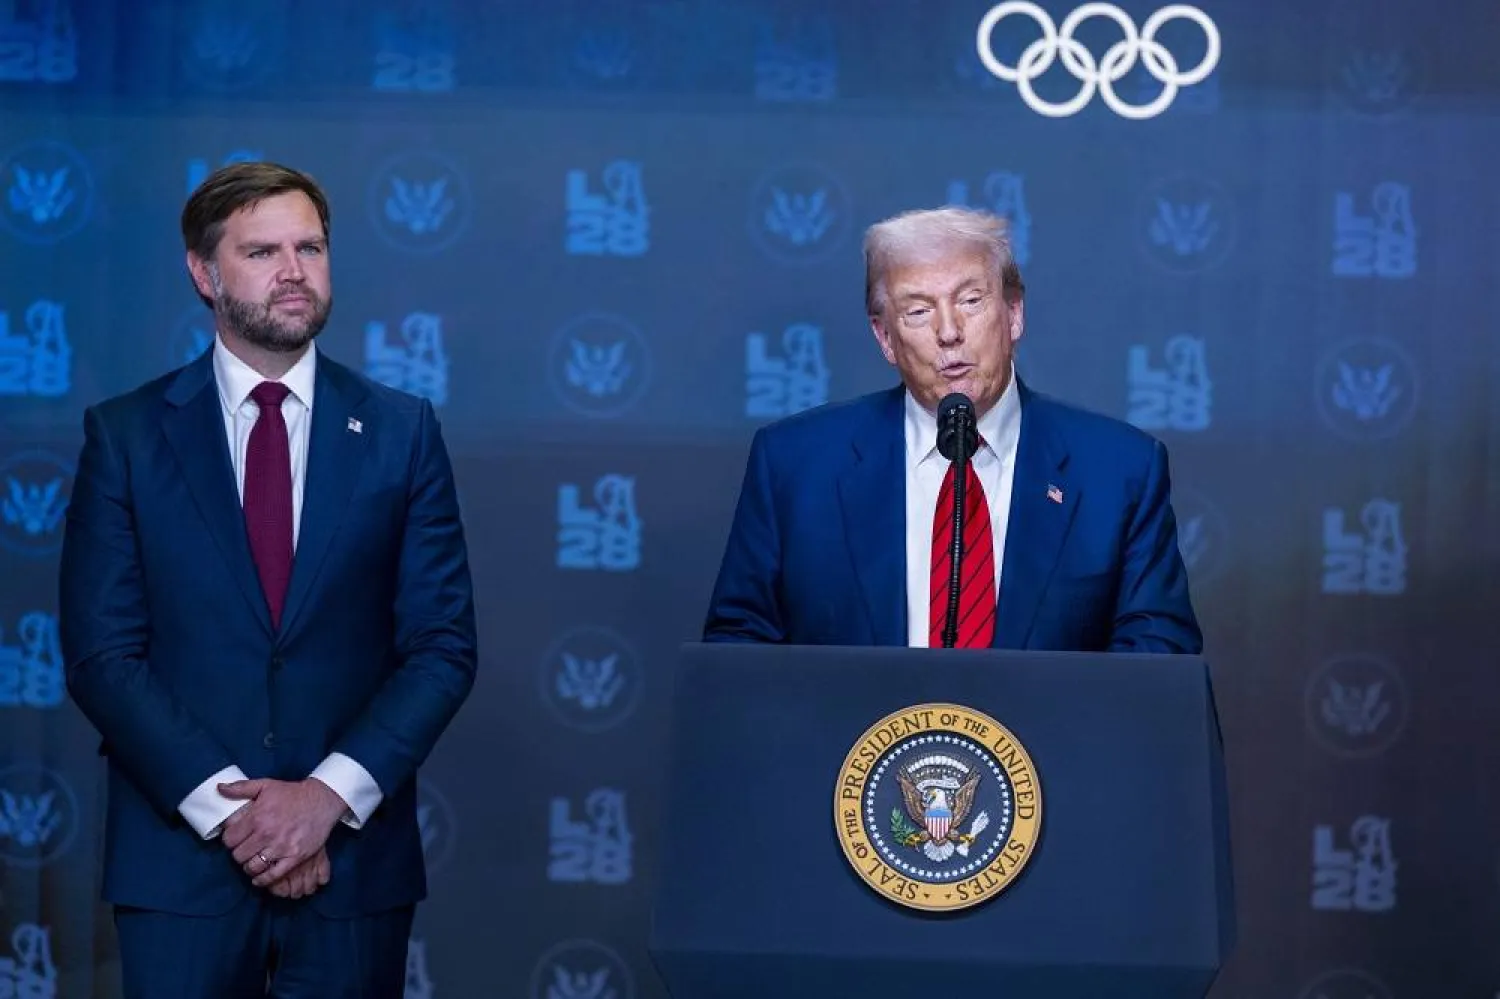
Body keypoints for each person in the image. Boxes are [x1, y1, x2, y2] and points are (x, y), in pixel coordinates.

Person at [59, 161, 478, 997]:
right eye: (263, 251)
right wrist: (243, 815)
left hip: (352, 869)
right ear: (203, 273)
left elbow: (440, 647)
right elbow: (104, 656)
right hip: (181, 870)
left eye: (311, 246)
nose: (294, 270)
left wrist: (323, 798)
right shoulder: (129, 436)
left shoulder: (401, 431)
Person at [703, 205, 1202, 653]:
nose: (948, 332)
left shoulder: (1118, 471)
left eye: (970, 300)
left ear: (1013, 313)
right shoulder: (795, 464)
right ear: (885, 337)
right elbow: (738, 654)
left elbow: (1157, 667)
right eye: (918, 311)